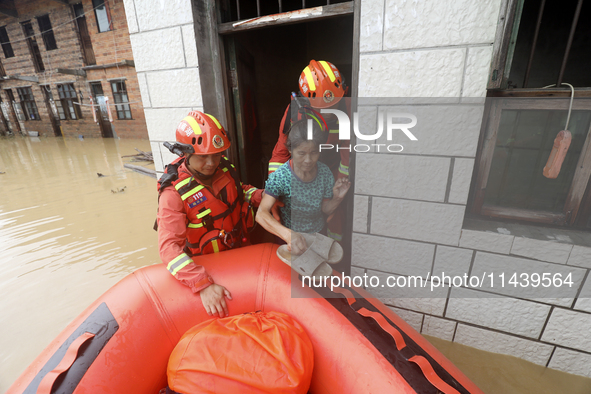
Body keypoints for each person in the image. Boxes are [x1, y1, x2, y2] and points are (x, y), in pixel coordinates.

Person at [156, 111, 263, 318]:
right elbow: (168, 248)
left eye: (217, 155)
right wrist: (202, 284)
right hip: (209, 266)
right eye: (204, 157)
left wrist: (261, 196)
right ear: (186, 154)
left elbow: (240, 191)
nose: (212, 163)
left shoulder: (224, 169)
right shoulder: (173, 194)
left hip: (241, 254)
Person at [267, 59, 350, 242]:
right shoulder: (294, 112)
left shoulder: (349, 110)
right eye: (320, 108)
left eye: (333, 105)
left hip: (332, 171)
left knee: (334, 217)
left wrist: (334, 195)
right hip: (299, 173)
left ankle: (334, 252)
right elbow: (280, 153)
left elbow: (347, 158)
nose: (328, 112)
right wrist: (273, 191)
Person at [256, 119, 351, 255]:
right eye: (301, 153)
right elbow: (261, 214)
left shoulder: (324, 173)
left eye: (313, 153)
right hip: (288, 241)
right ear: (290, 149)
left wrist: (337, 199)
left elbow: (325, 209)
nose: (308, 160)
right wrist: (289, 235)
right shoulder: (281, 177)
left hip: (317, 237)